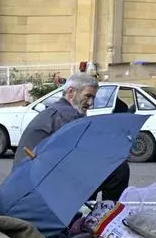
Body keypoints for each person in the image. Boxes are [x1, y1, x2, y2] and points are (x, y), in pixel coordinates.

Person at [15, 73, 129, 201]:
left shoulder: (57, 111)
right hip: (43, 185)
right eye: (88, 96)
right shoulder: (68, 116)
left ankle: (89, 212)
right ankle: (108, 214)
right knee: (119, 169)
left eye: (93, 98)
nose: (90, 103)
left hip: (36, 180)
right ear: (71, 92)